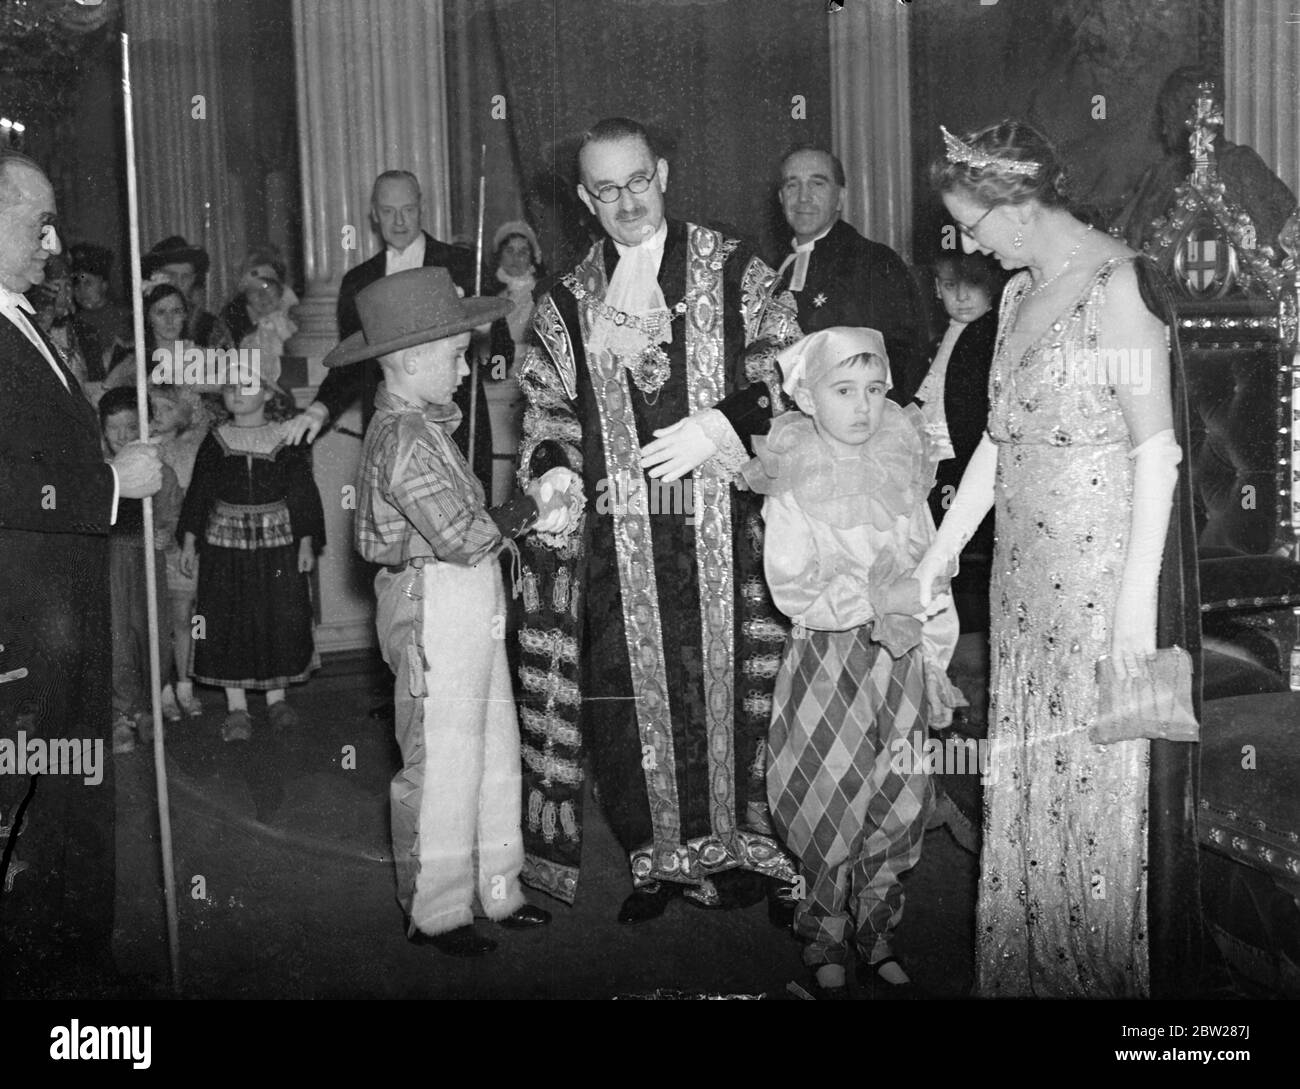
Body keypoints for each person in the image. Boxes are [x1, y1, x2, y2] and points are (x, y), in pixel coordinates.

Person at [915, 120, 1202, 998]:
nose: (964, 241)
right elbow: (1002, 443)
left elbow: (1159, 456)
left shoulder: (1117, 288)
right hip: (1021, 590)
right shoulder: (1013, 296)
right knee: (1028, 781)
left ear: (1019, 204)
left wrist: (1129, 620)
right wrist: (939, 552)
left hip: (1100, 593)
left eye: (973, 222)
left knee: (1096, 808)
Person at [515, 116, 803, 922]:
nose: (626, 201)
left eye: (637, 180)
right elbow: (546, 410)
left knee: (737, 688)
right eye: (605, 189)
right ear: (584, 198)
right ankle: (659, 854)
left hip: (729, 527)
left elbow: (791, 365)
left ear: (664, 173)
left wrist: (721, 421)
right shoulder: (569, 300)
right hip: (622, 543)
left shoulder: (736, 266)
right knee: (634, 697)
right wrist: (559, 474)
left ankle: (746, 845)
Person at [341, 266, 570, 955]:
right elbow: (465, 536)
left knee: (494, 740)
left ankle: (498, 885)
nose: (467, 368)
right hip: (432, 598)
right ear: (412, 361)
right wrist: (538, 504)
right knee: (442, 758)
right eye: (455, 355)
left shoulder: (425, 424)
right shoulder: (404, 438)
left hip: (469, 597)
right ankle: (439, 908)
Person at [746, 327, 959, 999]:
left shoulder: (901, 459)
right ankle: (824, 928)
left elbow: (935, 573)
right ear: (807, 396)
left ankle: (876, 923)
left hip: (898, 666)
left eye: (874, 390)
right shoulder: (795, 477)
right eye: (843, 391)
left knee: (897, 795)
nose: (863, 407)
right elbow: (793, 589)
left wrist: (937, 658)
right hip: (830, 662)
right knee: (825, 793)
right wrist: (873, 595)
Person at [0, 151, 163, 997]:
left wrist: (107, 457)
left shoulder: (22, 317)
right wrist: (109, 482)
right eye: (40, 222)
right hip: (21, 613)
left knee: (75, 780)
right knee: (25, 793)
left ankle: (74, 957)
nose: (55, 242)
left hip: (69, 598)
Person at [284, 170, 493, 495]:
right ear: (373, 215)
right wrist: (318, 409)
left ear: (421, 207)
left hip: (457, 429)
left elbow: (500, 347)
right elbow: (351, 363)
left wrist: (479, 324)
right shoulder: (359, 280)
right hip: (390, 432)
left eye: (408, 210)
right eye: (388, 211)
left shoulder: (463, 264)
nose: (399, 221)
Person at [177, 360, 324, 741]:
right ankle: (237, 707)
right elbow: (199, 492)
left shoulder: (286, 437)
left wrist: (306, 540)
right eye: (229, 388)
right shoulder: (216, 439)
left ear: (267, 392)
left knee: (278, 615)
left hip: (278, 547)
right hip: (225, 548)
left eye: (246, 385)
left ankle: (277, 699)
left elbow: (304, 494)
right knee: (228, 618)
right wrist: (190, 539)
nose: (237, 393)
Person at [774, 145, 927, 401]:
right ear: (781, 198)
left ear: (841, 198)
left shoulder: (873, 263)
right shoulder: (775, 267)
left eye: (817, 184)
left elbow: (901, 362)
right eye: (792, 185)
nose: (803, 197)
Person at [1112, 66, 1298, 253]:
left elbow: (1272, 239)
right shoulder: (1160, 173)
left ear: (1191, 117)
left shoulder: (1240, 164)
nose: (1164, 130)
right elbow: (1126, 239)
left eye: (1168, 118)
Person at [913, 251, 1005, 631]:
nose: (962, 297)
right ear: (936, 289)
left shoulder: (990, 337)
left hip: (966, 460)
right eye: (951, 286)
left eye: (973, 286)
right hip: (932, 462)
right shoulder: (938, 340)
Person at [99, 387, 181, 753]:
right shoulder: (102, 476)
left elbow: (171, 511)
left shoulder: (159, 471)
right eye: (112, 428)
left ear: (145, 427)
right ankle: (121, 713)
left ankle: (147, 706)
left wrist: (166, 531)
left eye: (130, 426)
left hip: (147, 561)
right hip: (111, 563)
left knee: (153, 635)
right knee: (116, 637)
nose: (122, 436)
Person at [150, 384, 213, 721]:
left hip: (186, 543)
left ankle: (185, 685)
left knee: (185, 616)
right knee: (158, 618)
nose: (158, 415)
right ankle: (162, 689)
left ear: (188, 411)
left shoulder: (199, 445)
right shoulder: (148, 448)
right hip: (155, 541)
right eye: (153, 408)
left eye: (167, 408)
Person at [140, 235, 230, 349]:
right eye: (170, 275)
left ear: (193, 279)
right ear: (154, 276)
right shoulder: (136, 322)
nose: (178, 283)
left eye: (185, 277)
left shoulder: (209, 326)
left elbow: (228, 364)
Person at [68, 242, 129, 382]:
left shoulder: (125, 318)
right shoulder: (71, 323)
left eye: (88, 283)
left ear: (104, 285)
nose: (81, 290)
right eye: (76, 283)